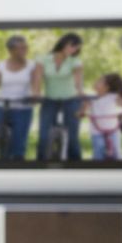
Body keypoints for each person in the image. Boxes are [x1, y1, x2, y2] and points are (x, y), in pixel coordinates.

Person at [34, 33, 85, 161]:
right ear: (63, 43)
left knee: (72, 137)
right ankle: (40, 166)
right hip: (50, 100)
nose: (74, 50)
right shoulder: (43, 59)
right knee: (44, 136)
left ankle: (76, 166)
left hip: (71, 100)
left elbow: (78, 81)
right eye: (72, 46)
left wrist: (80, 93)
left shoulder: (75, 61)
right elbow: (37, 78)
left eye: (76, 48)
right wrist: (36, 94)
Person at [77, 74, 122, 160]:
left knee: (117, 153)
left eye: (99, 81)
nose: (95, 82)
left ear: (106, 87)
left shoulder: (113, 97)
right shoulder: (91, 100)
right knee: (98, 153)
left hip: (113, 130)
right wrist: (82, 111)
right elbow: (81, 112)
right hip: (96, 131)